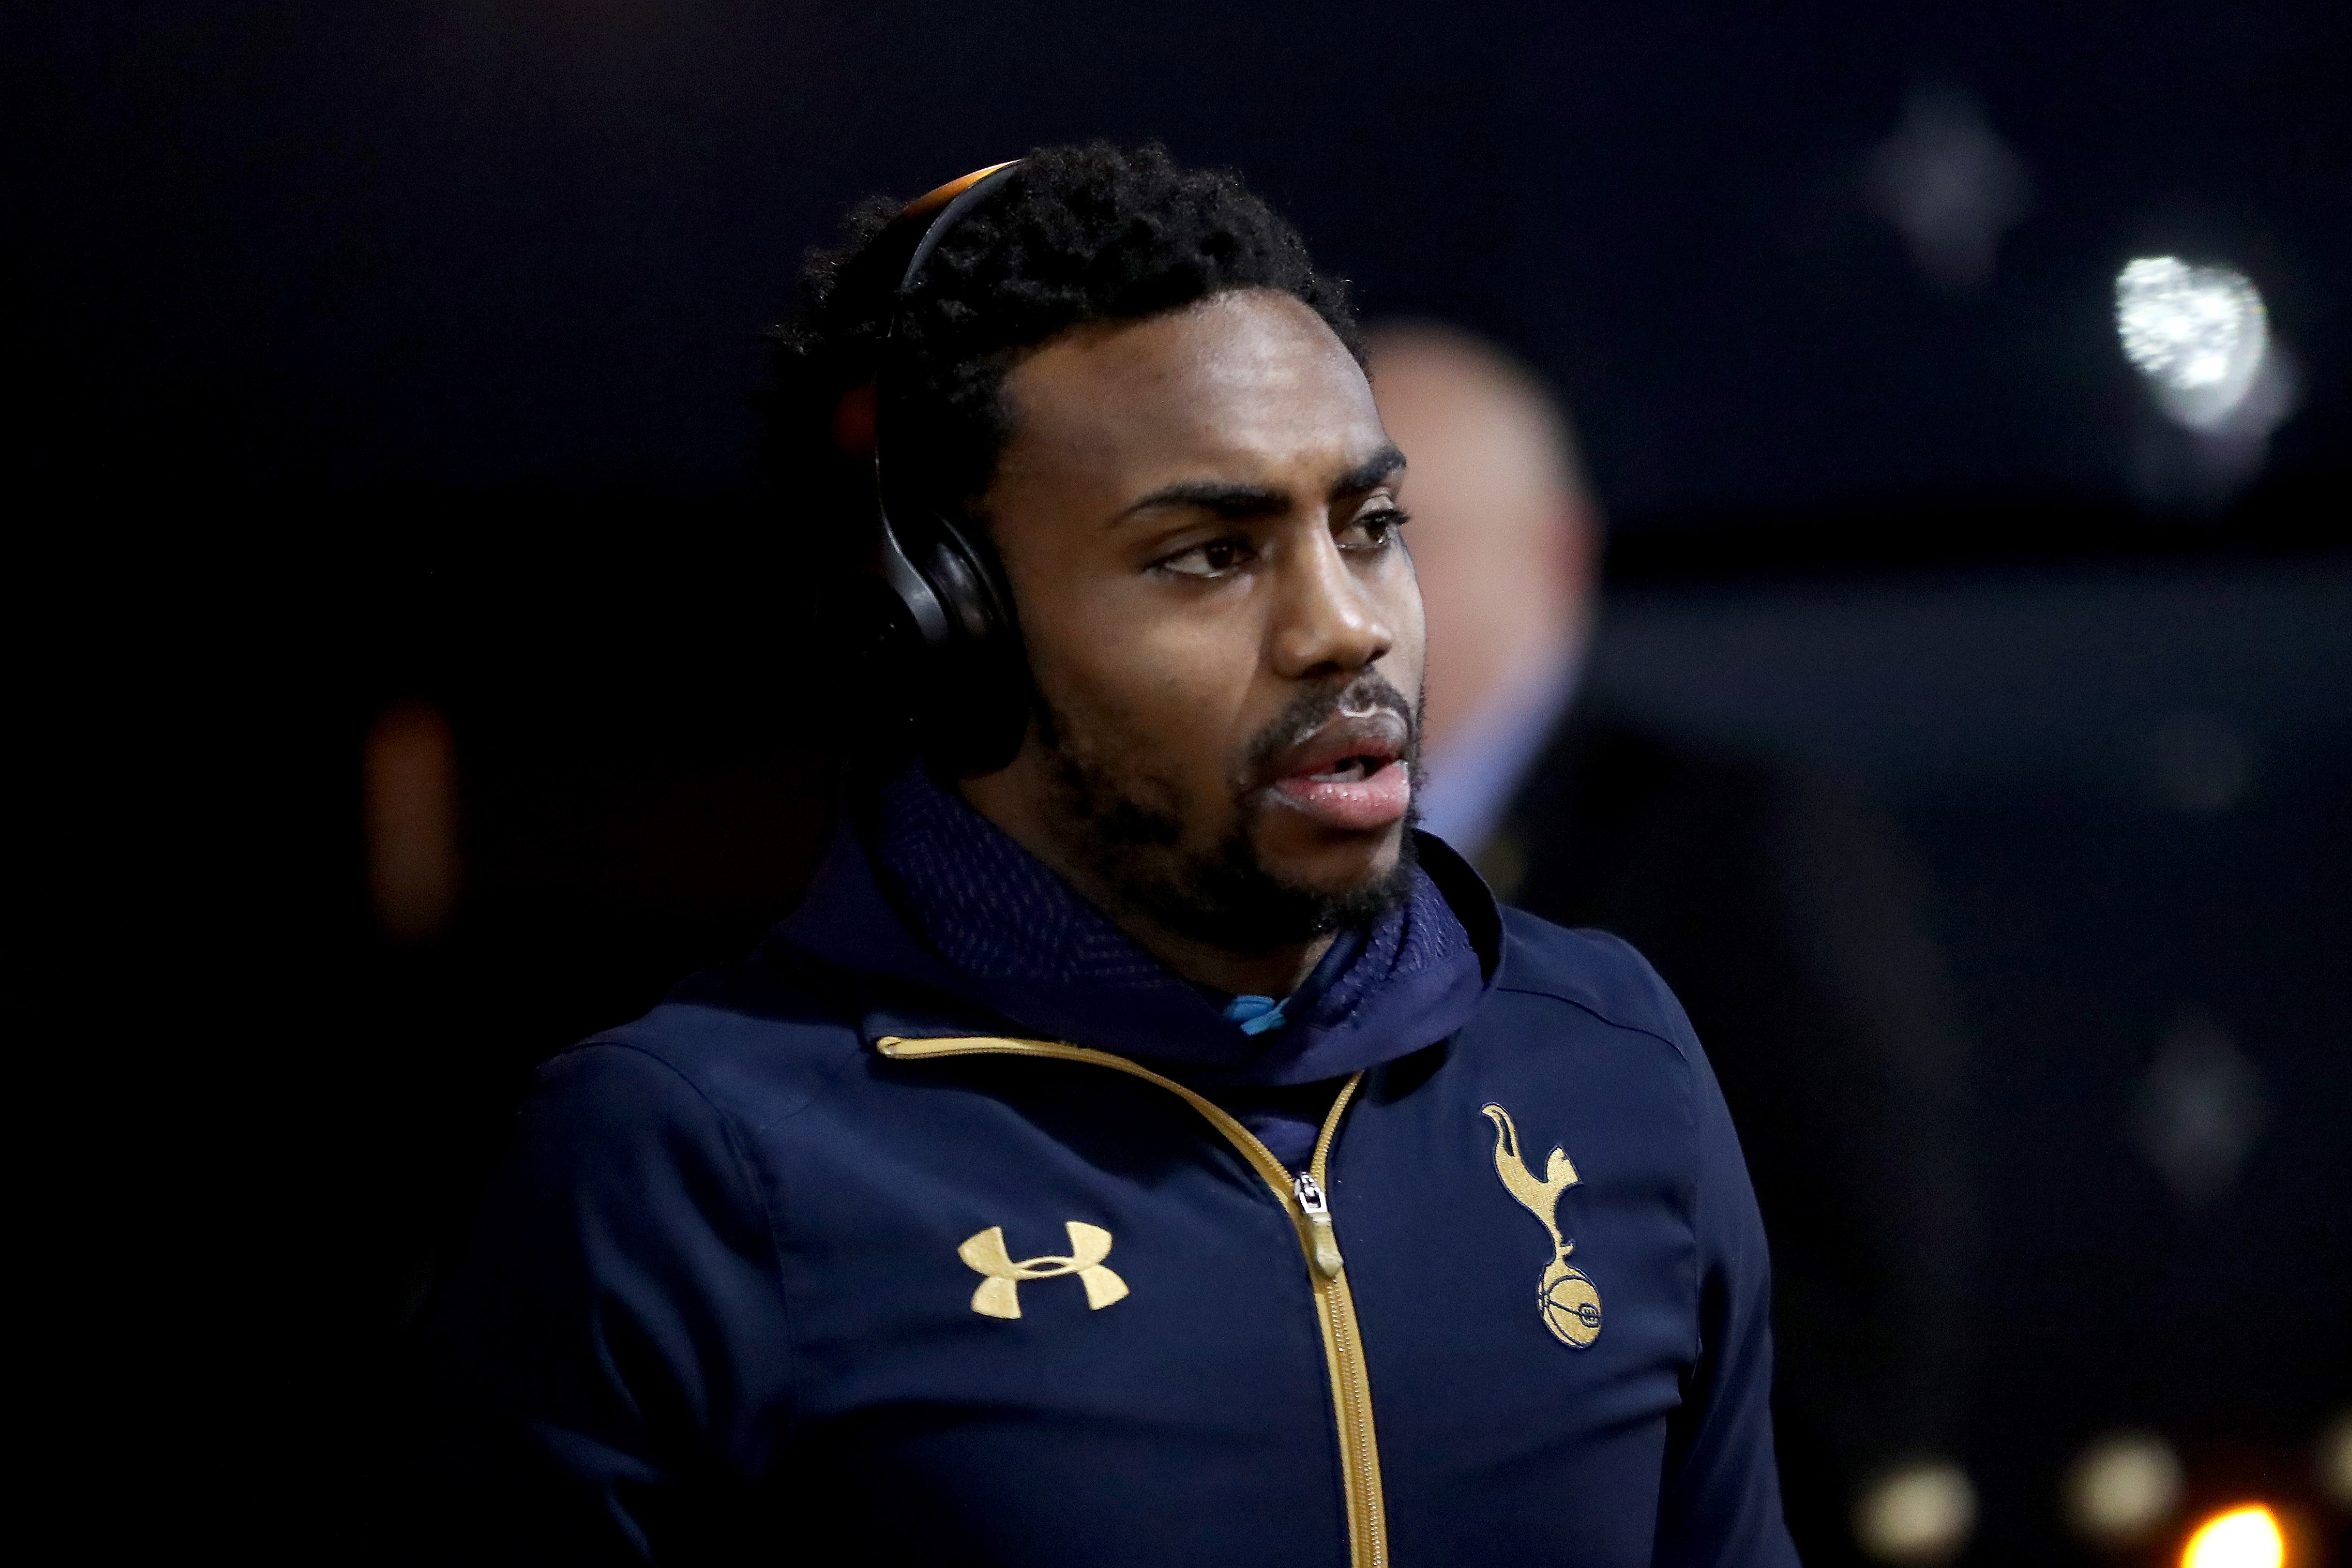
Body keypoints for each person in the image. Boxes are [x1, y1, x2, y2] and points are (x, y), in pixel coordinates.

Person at [416, 144, 1797, 1567]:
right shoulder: (683, 1170)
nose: (1349, 626)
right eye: (1210, 553)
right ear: (951, 637)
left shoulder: (1611, 1056)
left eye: (1372, 525)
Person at [1369, 321, 1977, 1565]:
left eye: (1393, 534)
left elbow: (1849, 1298)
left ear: (1556, 555)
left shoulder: (1736, 842)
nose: (1347, 595)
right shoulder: (1275, 860)